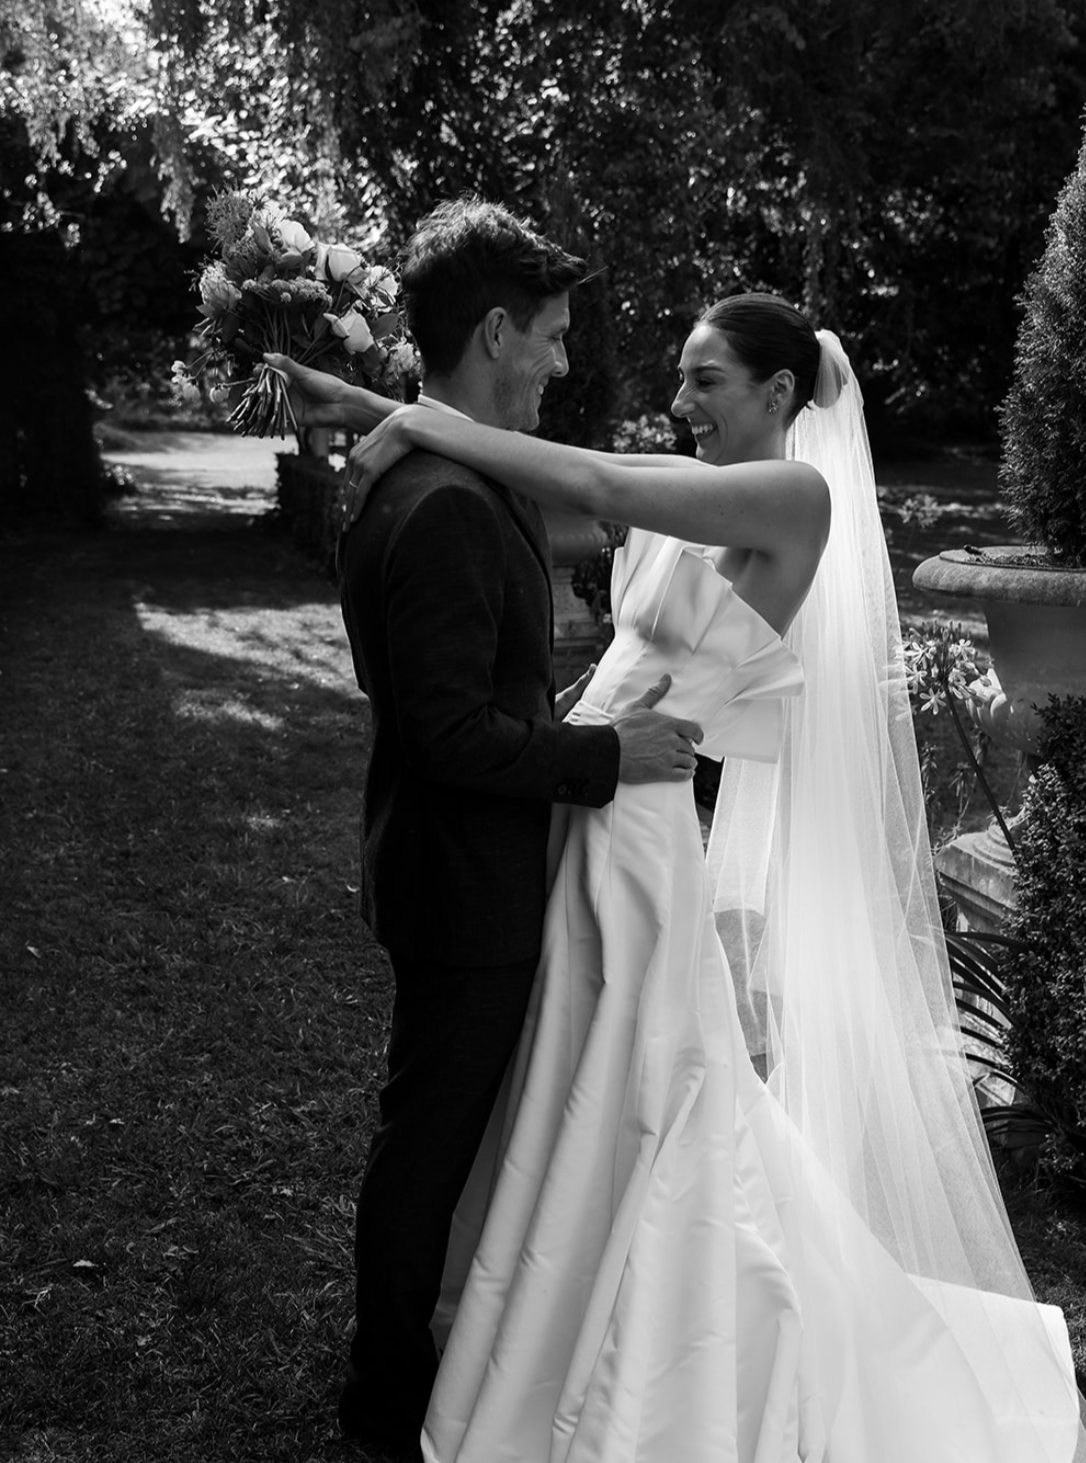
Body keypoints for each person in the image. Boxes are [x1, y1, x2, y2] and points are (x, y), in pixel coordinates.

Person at [277, 296, 1086, 1460]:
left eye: (706, 379)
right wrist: (369, 404)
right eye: (682, 377)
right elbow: (545, 482)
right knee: (565, 1074)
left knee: (640, 1094)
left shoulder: (793, 498)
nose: (682, 403)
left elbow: (591, 480)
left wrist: (409, 418)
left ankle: (636, 1342)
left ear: (780, 394)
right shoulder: (690, 489)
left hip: (638, 832)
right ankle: (545, 1309)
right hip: (578, 800)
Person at [307, 197, 703, 1462]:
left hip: (451, 864)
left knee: (443, 1130)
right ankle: (384, 1397)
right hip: (461, 880)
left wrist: (573, 701)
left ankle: (444, 1344)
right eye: (552, 336)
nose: (563, 362)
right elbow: (447, 735)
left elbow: (477, 693)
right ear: (493, 333)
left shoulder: (445, 474)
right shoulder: (447, 503)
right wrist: (611, 754)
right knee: (427, 1142)